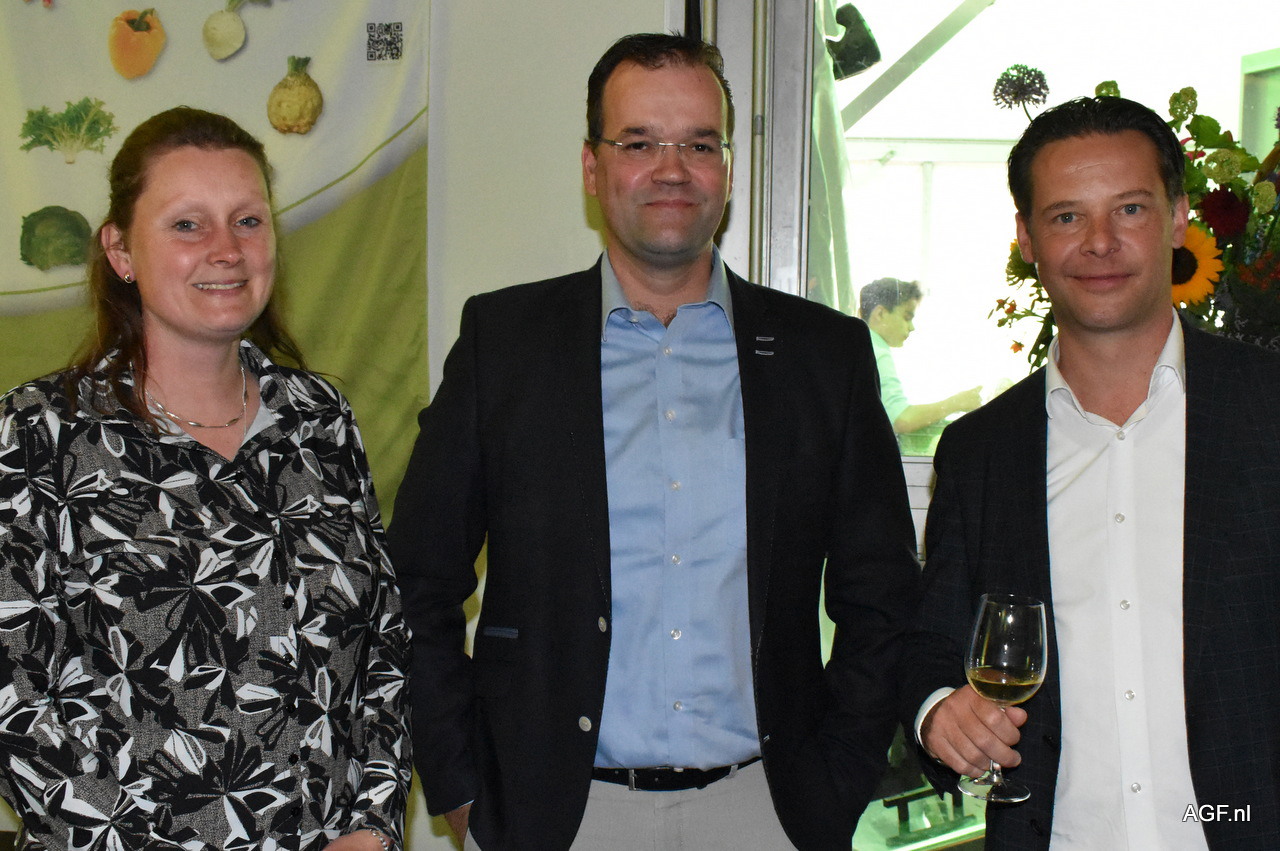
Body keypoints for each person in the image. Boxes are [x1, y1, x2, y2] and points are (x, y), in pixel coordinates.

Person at [388, 32, 920, 851]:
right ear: (592, 167)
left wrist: (840, 777)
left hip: (767, 812)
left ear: (728, 170)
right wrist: (461, 786)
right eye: (639, 143)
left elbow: (881, 593)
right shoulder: (505, 344)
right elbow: (416, 581)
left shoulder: (824, 356)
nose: (672, 169)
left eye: (699, 144)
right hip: (562, 819)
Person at [0, 107, 411, 851]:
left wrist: (371, 823)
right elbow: (16, 704)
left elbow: (381, 645)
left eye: (248, 220)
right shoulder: (37, 436)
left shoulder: (318, 419)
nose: (226, 249)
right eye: (187, 225)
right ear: (121, 250)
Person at [901, 95, 1280, 849]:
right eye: (1067, 216)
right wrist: (938, 711)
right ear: (1027, 238)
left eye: (1130, 209)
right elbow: (931, 645)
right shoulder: (980, 452)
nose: (1100, 242)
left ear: (1179, 219)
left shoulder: (1268, 411)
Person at [858, 277, 982, 434]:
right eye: (907, 317)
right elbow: (901, 420)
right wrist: (956, 403)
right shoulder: (878, 352)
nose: (912, 327)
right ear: (880, 314)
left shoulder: (858, 346)